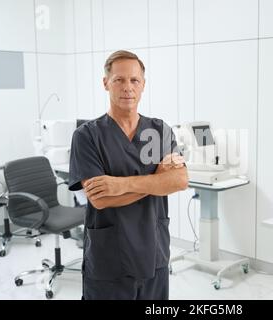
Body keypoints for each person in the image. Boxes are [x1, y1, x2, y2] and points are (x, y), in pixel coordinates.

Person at [68, 50, 188, 300]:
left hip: (154, 253)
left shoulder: (158, 130)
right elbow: (100, 199)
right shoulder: (87, 136)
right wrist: (157, 180)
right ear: (105, 83)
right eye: (119, 80)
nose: (127, 88)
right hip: (109, 257)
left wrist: (119, 185)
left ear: (143, 85)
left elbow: (179, 180)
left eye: (134, 80)